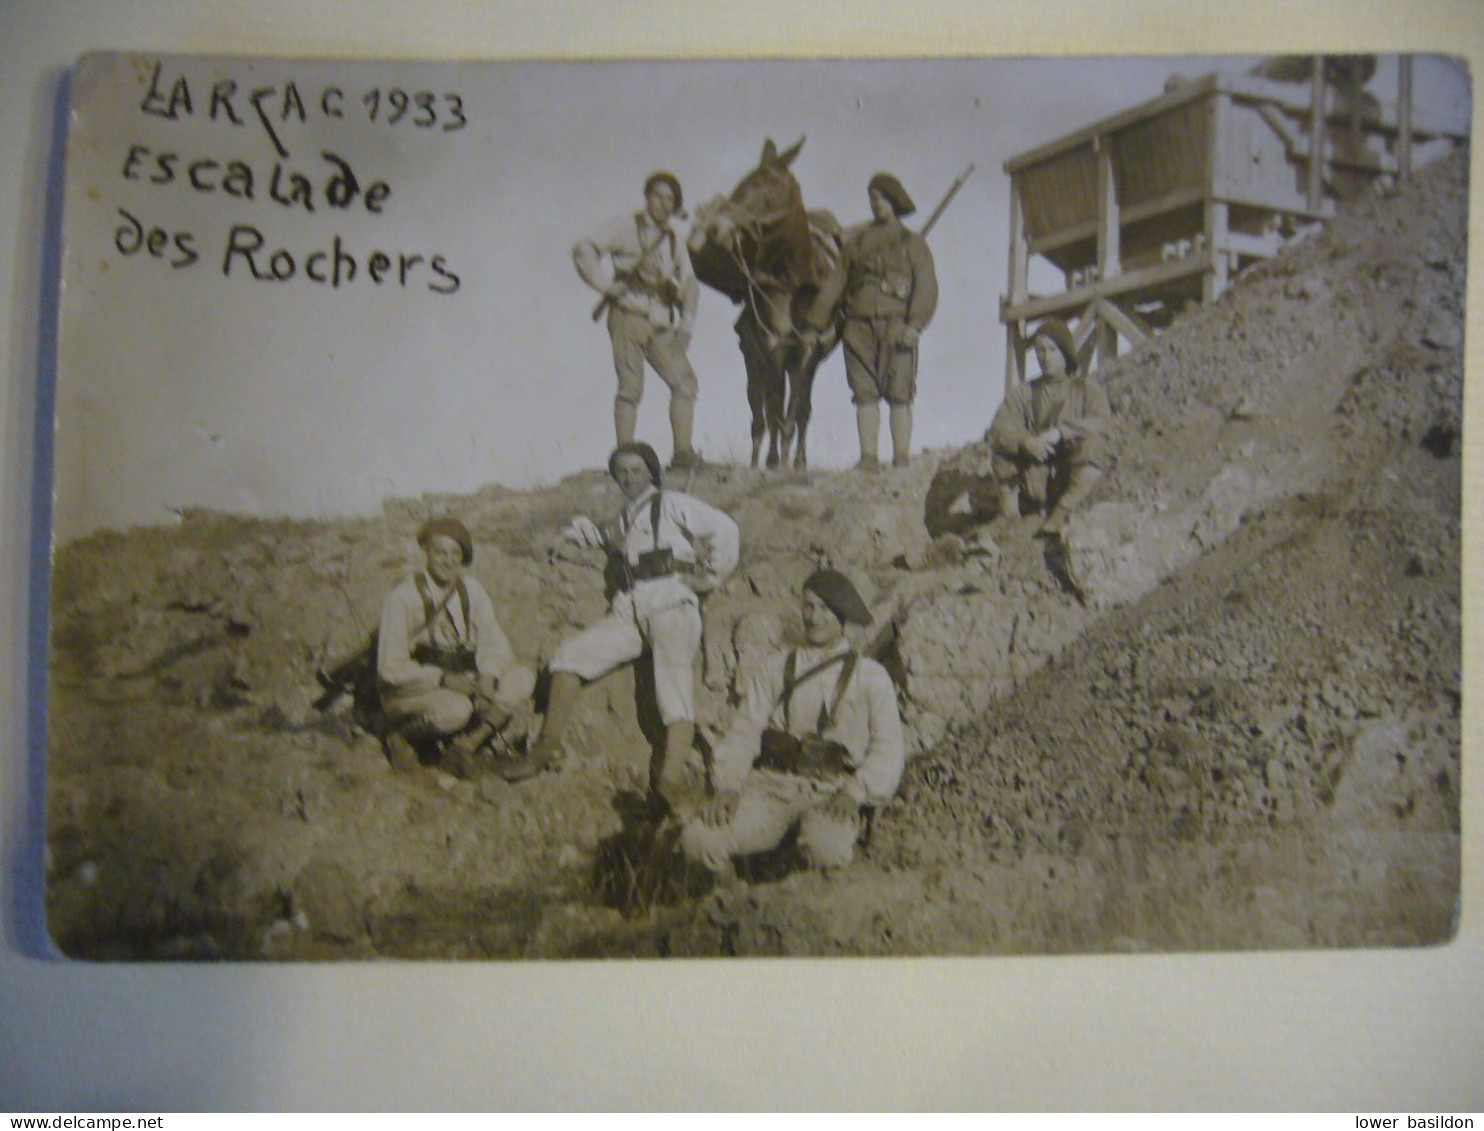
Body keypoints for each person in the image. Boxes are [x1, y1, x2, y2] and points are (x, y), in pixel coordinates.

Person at [501, 443, 739, 801]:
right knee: (568, 656)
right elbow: (598, 536)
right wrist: (561, 536)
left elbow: (725, 529)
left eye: (637, 470)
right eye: (622, 472)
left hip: (671, 600)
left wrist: (711, 577)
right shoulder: (624, 518)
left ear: (651, 473)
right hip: (630, 604)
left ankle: (668, 785)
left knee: (673, 695)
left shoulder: (672, 502)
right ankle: (545, 749)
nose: (629, 478)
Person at [681, 569, 905, 878]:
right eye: (809, 606)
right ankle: (733, 908)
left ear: (843, 616)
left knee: (825, 849)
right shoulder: (776, 667)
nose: (814, 617)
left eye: (825, 609)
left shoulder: (870, 676)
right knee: (699, 840)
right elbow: (744, 731)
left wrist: (854, 793)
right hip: (769, 788)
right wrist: (729, 787)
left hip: (831, 791)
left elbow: (888, 749)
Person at [377, 517, 537, 778]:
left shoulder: (471, 590)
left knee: (522, 677)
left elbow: (493, 641)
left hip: (461, 678)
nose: (448, 561)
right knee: (457, 710)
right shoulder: (403, 598)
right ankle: (402, 738)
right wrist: (442, 679)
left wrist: (487, 677)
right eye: (440, 552)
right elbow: (390, 669)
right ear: (426, 551)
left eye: (455, 554)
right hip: (412, 690)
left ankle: (466, 745)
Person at [573, 172, 705, 470]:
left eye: (670, 199)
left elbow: (690, 284)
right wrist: (605, 286)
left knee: (685, 382)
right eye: (658, 196)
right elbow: (584, 249)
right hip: (628, 315)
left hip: (660, 321)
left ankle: (684, 455)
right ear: (647, 197)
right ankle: (625, 459)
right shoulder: (625, 226)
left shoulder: (674, 240)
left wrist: (686, 328)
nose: (663, 203)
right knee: (631, 387)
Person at [814, 172, 938, 470]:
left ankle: (901, 460)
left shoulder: (913, 243)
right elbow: (836, 283)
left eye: (882, 199)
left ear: (895, 202)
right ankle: (868, 458)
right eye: (872, 199)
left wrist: (915, 325)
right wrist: (815, 323)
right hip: (857, 326)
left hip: (897, 326)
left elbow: (926, 287)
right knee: (864, 391)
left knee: (899, 392)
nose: (876, 205)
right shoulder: (855, 244)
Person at [987, 317, 1114, 537]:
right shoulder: (1024, 393)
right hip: (1036, 478)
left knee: (1094, 448)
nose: (1044, 357)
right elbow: (999, 428)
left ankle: (1060, 515)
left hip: (1069, 477)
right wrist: (1026, 442)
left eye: (1052, 349)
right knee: (1002, 451)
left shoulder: (1088, 390)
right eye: (1039, 350)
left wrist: (1061, 433)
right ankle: (1011, 519)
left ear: (1065, 352)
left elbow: (1102, 423)